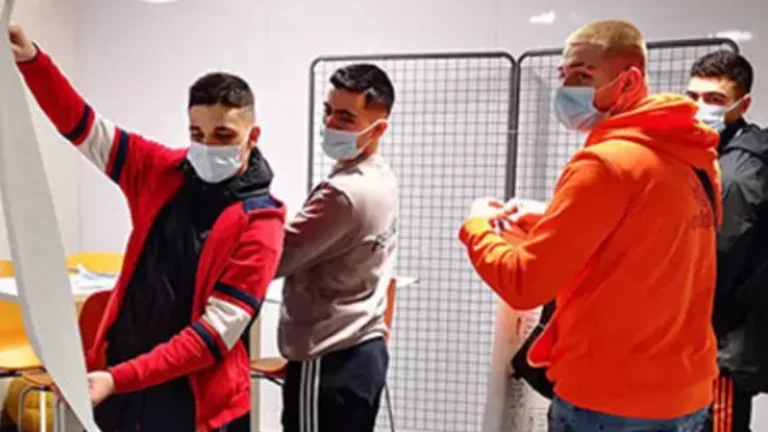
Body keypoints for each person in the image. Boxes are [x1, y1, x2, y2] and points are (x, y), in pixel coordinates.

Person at [9, 24, 285, 431]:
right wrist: (33, 61)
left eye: (223, 134)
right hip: (124, 389)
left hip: (193, 406)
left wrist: (118, 378)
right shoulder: (161, 171)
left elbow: (211, 338)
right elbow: (84, 127)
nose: (208, 145)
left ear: (252, 136)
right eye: (197, 134)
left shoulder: (261, 224)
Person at [459, 20, 721, 431]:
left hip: (609, 400)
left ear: (629, 80)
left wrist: (476, 227)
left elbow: (526, 283)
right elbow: (650, 237)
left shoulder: (603, 164)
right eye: (564, 75)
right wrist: (554, 218)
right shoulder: (694, 156)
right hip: (688, 395)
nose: (567, 89)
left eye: (583, 75)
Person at [276, 64, 398, 432]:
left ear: (378, 128)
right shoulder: (381, 177)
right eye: (328, 111)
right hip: (362, 348)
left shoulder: (343, 194)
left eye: (345, 117)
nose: (330, 124)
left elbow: (277, 258)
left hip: (330, 356)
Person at [687, 51, 768, 432]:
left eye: (714, 99)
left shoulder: (736, 175)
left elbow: (717, 262)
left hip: (723, 345)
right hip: (721, 339)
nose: (699, 107)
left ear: (742, 104)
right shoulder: (724, 153)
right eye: (693, 96)